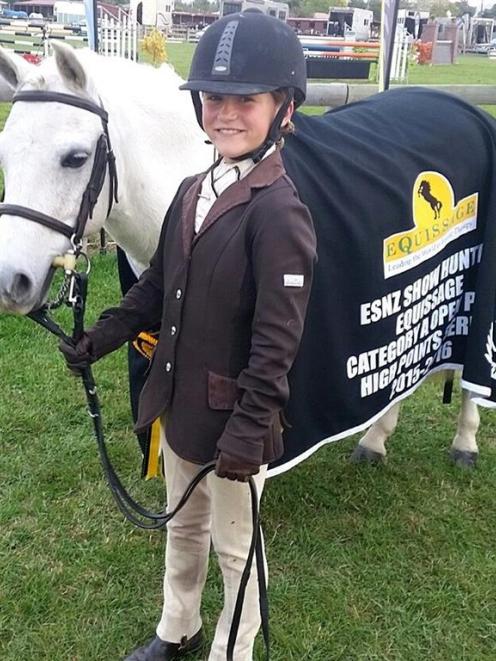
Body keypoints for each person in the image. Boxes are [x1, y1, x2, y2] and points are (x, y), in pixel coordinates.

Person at [60, 10, 317, 661]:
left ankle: (233, 646)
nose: (225, 112)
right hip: (180, 408)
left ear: (284, 108)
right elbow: (154, 288)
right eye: (214, 98)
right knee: (184, 527)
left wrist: (246, 431)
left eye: (246, 100)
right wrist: (104, 335)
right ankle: (178, 626)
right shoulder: (191, 190)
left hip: (236, 425)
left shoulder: (280, 214)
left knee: (236, 548)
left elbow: (275, 345)